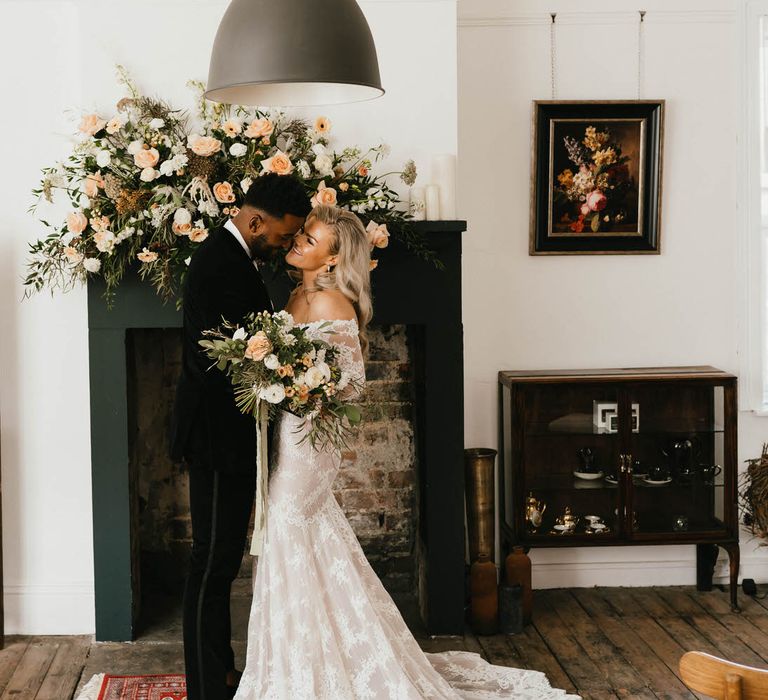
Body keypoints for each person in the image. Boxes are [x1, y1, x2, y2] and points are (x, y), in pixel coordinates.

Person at [233, 205, 579, 699]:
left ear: (332, 261)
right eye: (304, 234)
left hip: (310, 440)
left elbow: (350, 385)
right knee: (295, 534)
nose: (299, 242)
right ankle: (297, 656)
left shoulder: (334, 306)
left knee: (291, 526)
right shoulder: (292, 295)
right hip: (289, 431)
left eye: (311, 239)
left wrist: (304, 391)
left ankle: (307, 669)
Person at [169, 172, 311, 700]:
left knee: (222, 559)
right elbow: (224, 361)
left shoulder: (234, 257)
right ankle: (206, 687)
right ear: (254, 220)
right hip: (214, 437)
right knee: (210, 562)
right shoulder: (217, 262)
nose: (284, 246)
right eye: (280, 236)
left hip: (227, 436)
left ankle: (221, 670)